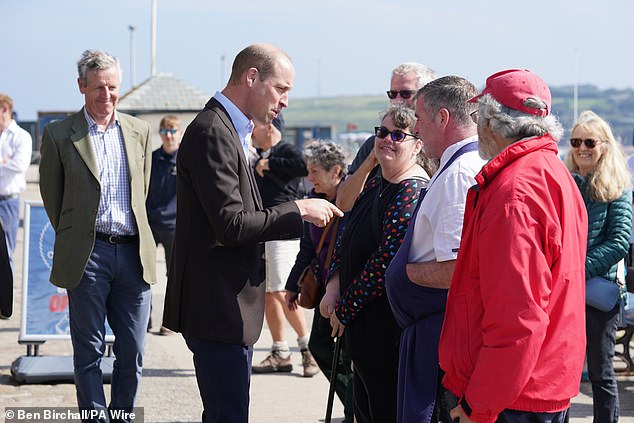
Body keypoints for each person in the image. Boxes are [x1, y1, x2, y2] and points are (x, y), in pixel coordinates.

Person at [161, 43, 342, 423]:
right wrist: (298, 209)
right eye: (281, 88)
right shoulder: (213, 130)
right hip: (218, 306)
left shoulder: (229, 128)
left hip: (225, 305)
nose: (286, 101)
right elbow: (231, 224)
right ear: (251, 77)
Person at [438, 69, 588, 423]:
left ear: (491, 121)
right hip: (537, 382)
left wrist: (478, 404)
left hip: (511, 396)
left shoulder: (515, 191)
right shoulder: (554, 174)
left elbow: (517, 315)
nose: (476, 128)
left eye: (478, 117)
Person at [39, 50, 156, 421]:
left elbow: (144, 193)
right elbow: (52, 199)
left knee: (133, 349)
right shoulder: (59, 135)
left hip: (133, 255)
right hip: (89, 256)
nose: (106, 95)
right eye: (98, 87)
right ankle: (94, 416)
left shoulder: (139, 131)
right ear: (81, 87)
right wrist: (79, 239)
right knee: (87, 349)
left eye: (113, 87)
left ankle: (121, 415)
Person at [320, 104, 434, 422]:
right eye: (382, 132)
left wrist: (346, 308)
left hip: (386, 330)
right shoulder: (376, 181)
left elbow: (384, 262)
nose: (387, 140)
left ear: (417, 145)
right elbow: (348, 231)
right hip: (362, 327)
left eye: (398, 135)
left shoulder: (411, 191)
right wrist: (333, 287)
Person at [385, 76, 486, 423]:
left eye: (419, 117)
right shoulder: (457, 167)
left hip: (438, 334)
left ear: (443, 118)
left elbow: (458, 268)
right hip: (431, 328)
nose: (415, 127)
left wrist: (406, 274)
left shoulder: (460, 174)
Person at [564, 110, 632, 423]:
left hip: (595, 292)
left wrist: (577, 272)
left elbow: (620, 241)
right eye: (575, 141)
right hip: (564, 291)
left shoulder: (618, 190)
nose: (581, 148)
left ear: (603, 145)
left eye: (588, 141)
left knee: (601, 371)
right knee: (561, 369)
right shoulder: (566, 184)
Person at [285, 139, 353, 422]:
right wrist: (291, 285)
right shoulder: (315, 200)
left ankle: (354, 411)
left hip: (349, 292)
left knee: (350, 357)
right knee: (319, 346)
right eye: (308, 171)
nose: (309, 177)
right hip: (325, 289)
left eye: (315, 171)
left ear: (336, 170)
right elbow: (308, 248)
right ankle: (353, 404)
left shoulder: (353, 199)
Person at [250, 114, 319, 377]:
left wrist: (270, 163)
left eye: (255, 125)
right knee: (269, 294)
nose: (252, 131)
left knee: (281, 292)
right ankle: (280, 351)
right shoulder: (259, 153)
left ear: (269, 126)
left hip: (284, 231)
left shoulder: (285, 150)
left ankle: (306, 348)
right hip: (266, 230)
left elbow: (303, 165)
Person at [336, 62, 436, 212]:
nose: (397, 101)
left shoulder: (439, 146)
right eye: (392, 94)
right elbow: (343, 204)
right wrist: (370, 162)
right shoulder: (376, 143)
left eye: (405, 94)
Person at [147, 114, 182, 335]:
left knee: (174, 275)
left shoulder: (187, 160)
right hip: (150, 223)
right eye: (165, 132)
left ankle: (169, 321)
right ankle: (144, 319)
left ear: (180, 134)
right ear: (160, 134)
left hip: (175, 225)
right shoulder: (151, 159)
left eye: (173, 131)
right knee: (144, 273)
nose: (169, 136)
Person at [0, 94, 32, 260]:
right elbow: (11, 166)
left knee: (7, 254)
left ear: (5, 109)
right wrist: (4, 163)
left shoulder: (21, 136)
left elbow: (19, 165)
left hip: (7, 203)